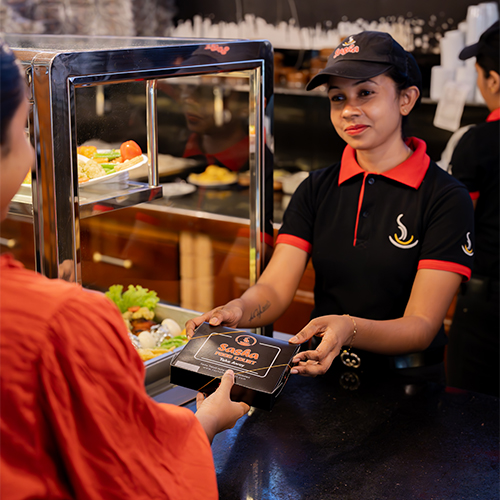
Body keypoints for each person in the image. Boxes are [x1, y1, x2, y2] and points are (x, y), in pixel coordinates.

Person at [0, 39, 249, 499]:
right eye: (24, 133)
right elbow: (138, 479)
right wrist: (209, 420)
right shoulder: (63, 318)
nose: (33, 155)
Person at [186, 31, 475, 382]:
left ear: (406, 99)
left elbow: (421, 326)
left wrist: (348, 329)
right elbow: (274, 289)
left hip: (407, 388)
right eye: (338, 98)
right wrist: (238, 310)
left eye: (365, 93)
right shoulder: (316, 188)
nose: (349, 110)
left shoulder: (445, 198)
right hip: (321, 376)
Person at [445, 21, 499, 397]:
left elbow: (458, 227)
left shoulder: (478, 142)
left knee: (470, 416)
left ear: (493, 80)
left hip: (487, 311)